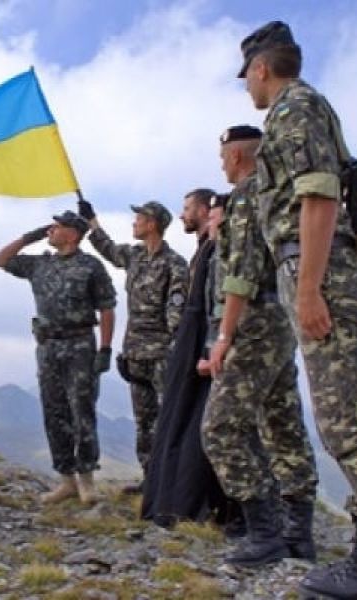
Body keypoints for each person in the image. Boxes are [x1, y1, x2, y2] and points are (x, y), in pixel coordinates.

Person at [238, 21, 357, 598]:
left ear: (261, 67)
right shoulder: (299, 110)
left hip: (320, 273)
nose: (247, 87)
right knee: (340, 417)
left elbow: (319, 196)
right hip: (313, 270)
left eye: (247, 76)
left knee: (348, 417)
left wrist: (308, 290)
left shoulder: (295, 109)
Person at [202, 125, 318, 569]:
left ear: (235, 156)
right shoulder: (275, 191)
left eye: (222, 157)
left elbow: (243, 272)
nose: (221, 165)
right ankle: (298, 535)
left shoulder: (247, 196)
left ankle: (265, 532)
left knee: (220, 428)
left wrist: (225, 335)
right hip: (281, 318)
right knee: (282, 423)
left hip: (254, 321)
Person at [0, 211, 116, 505]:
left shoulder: (90, 266)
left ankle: (87, 481)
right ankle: (66, 481)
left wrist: (105, 349)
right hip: (48, 346)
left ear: (72, 234)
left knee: (82, 412)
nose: (51, 230)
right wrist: (31, 236)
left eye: (57, 226)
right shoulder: (40, 264)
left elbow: (107, 308)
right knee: (54, 413)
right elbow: (0, 259)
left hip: (80, 345)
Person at [77, 198, 189, 494]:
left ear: (152, 224)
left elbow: (176, 311)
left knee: (169, 418)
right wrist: (91, 220)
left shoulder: (175, 263)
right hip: (135, 355)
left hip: (162, 355)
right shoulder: (135, 256)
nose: (134, 223)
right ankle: (151, 480)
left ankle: (172, 483)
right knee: (144, 420)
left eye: (139, 218)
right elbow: (108, 249)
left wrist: (176, 351)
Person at [141, 189, 236, 528]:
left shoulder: (219, 253)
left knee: (206, 427)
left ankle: (212, 506)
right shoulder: (204, 251)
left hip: (205, 347)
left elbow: (219, 304)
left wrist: (211, 346)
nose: (183, 215)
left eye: (188, 208)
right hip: (191, 346)